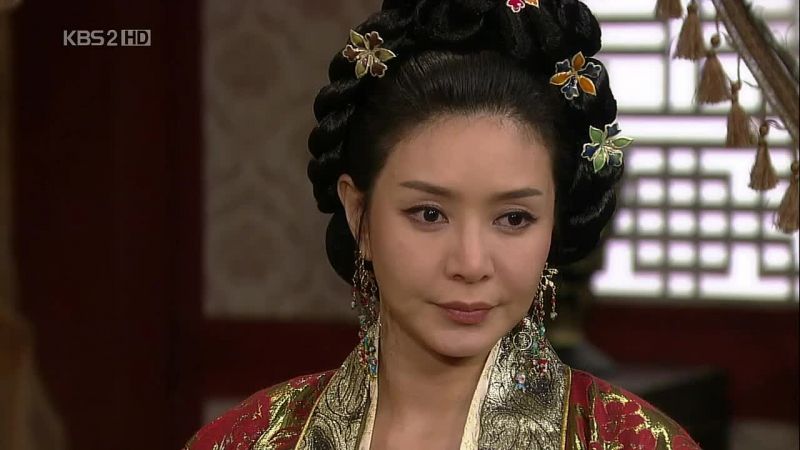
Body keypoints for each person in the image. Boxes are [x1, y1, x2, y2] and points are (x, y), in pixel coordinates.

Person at [184, 0, 702, 449]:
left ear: (554, 224)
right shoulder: (250, 439)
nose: (470, 264)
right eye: (429, 214)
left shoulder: (630, 440)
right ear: (358, 213)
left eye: (514, 218)